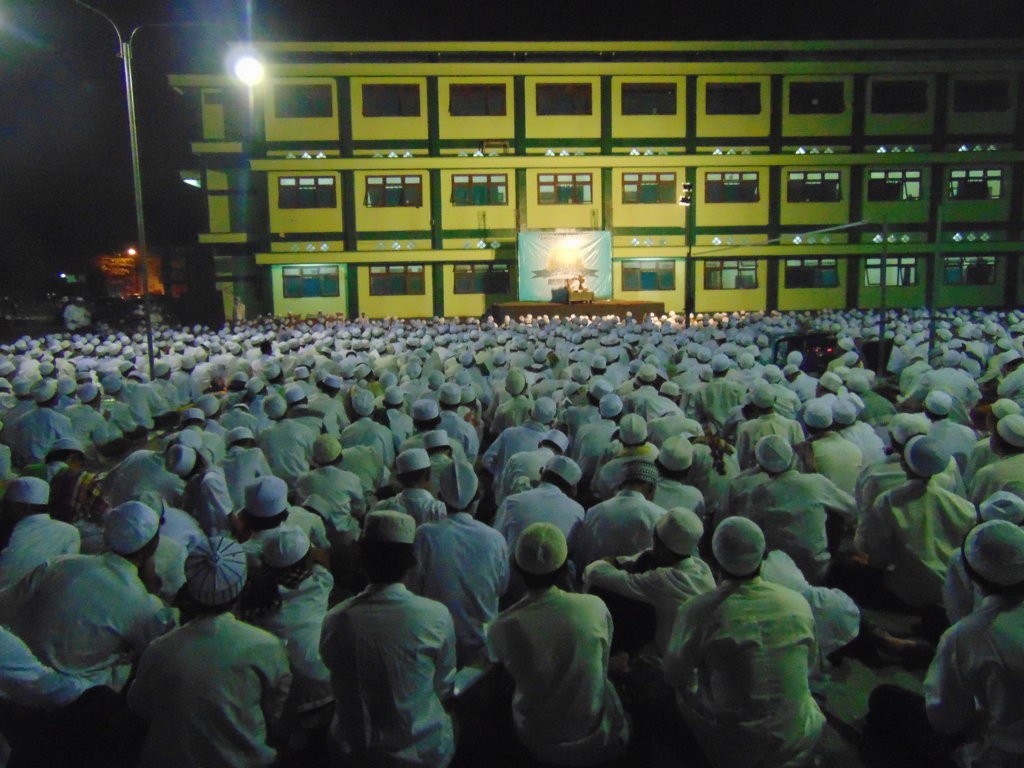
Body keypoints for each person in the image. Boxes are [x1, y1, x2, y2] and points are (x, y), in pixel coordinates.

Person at [663, 517, 825, 768]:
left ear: (714, 559)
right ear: (762, 556)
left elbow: (675, 675)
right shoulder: (796, 602)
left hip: (736, 751)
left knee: (675, 688)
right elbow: (811, 665)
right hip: (799, 740)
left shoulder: (697, 612)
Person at [128, 535, 292, 768]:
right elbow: (277, 713)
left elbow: (140, 706)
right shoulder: (265, 645)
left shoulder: (159, 649)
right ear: (242, 587)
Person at [320, 510, 457, 768]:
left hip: (355, 753)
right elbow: (443, 685)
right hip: (423, 752)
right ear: (411, 562)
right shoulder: (436, 615)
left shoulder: (336, 620)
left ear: (362, 560)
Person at [487, 522, 631, 766]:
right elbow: (602, 661)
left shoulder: (501, 626)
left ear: (516, 568)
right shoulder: (593, 607)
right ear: (566, 567)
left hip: (536, 740)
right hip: (597, 735)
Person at [0, 500, 177, 692]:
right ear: (152, 547)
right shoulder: (146, 605)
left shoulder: (60, 564)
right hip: (74, 697)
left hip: (14, 678)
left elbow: (6, 604)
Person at [924, 520, 1024, 768]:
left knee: (885, 701)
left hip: (1002, 755)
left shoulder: (966, 635)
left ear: (971, 576)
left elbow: (946, 720)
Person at [408, 460, 509, 665]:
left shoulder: (425, 534)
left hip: (433, 641)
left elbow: (413, 588)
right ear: (477, 497)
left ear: (440, 497)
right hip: (480, 645)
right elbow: (502, 588)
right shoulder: (495, 538)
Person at [583, 505, 715, 658]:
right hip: (702, 657)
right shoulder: (701, 567)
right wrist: (623, 562)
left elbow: (594, 572)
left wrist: (610, 562)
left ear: (661, 547)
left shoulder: (664, 580)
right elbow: (641, 556)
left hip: (668, 661)